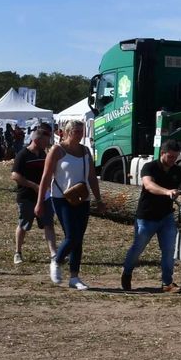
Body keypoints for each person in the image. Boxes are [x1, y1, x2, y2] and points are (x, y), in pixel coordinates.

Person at [120, 140, 181, 292]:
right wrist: (167, 191)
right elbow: (149, 185)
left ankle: (167, 283)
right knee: (138, 248)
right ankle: (127, 272)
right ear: (162, 153)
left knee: (169, 250)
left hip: (166, 217)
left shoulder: (177, 170)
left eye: (176, 157)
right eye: (170, 157)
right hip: (147, 217)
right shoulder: (149, 167)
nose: (173, 160)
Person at [35, 119, 103, 290]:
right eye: (76, 131)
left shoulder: (85, 151)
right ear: (66, 132)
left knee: (78, 239)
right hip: (61, 198)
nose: (79, 135)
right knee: (72, 236)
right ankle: (56, 261)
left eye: (81, 131)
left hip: (82, 198)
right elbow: (46, 177)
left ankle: (74, 277)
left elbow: (92, 177)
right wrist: (40, 202)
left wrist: (98, 199)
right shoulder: (57, 150)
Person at [10, 124, 58, 264]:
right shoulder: (23, 155)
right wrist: (34, 186)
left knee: (48, 224)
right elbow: (15, 175)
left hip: (45, 196)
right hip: (27, 197)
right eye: (45, 141)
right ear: (36, 140)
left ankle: (54, 254)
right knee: (23, 224)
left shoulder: (44, 154)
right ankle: (18, 252)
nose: (47, 143)